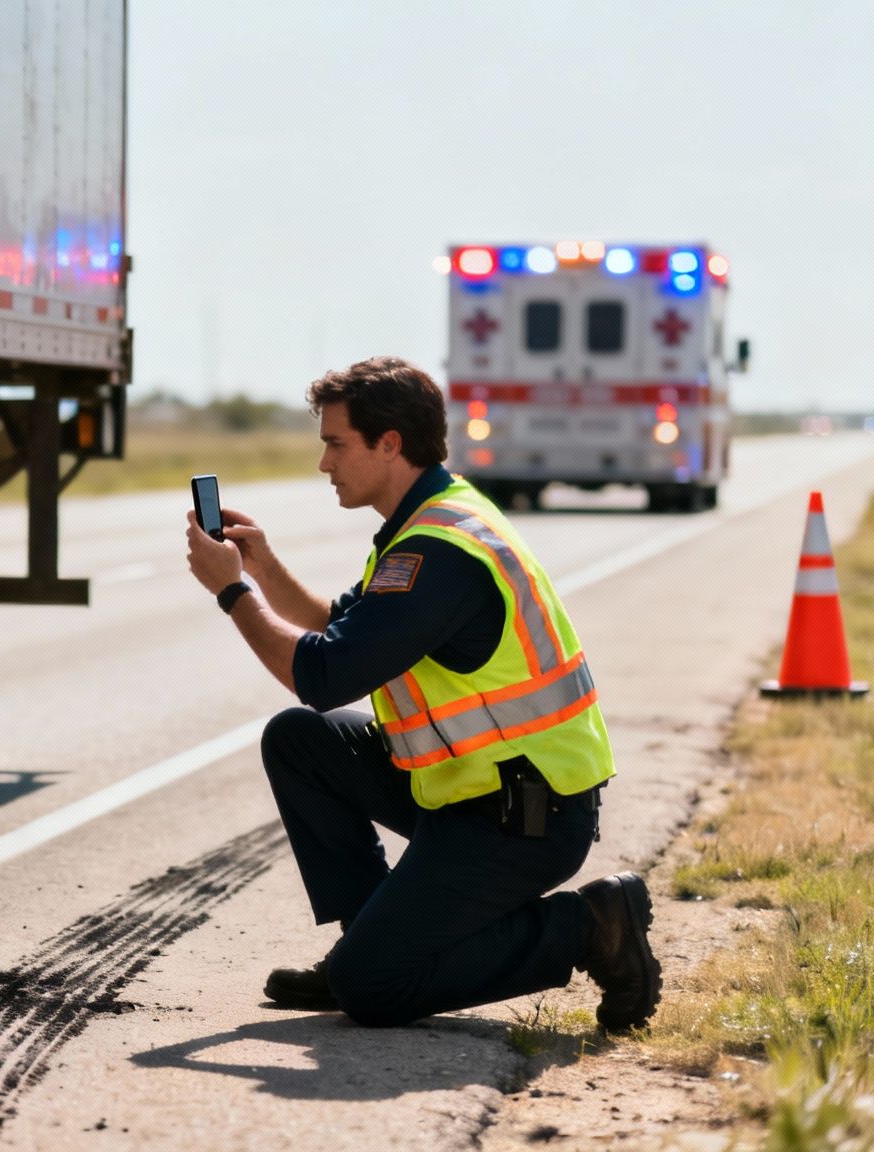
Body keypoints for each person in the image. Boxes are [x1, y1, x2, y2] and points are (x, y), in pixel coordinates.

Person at [182, 355, 660, 1031]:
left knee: (371, 989)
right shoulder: (430, 520)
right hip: (468, 791)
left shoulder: (440, 551)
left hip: (526, 814)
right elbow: (340, 628)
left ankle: (588, 927)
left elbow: (323, 675)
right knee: (300, 742)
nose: (325, 463)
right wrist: (261, 563)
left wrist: (233, 592)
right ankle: (370, 936)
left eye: (335, 443)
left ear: (389, 443)